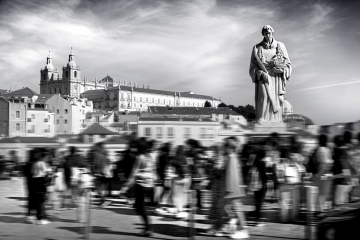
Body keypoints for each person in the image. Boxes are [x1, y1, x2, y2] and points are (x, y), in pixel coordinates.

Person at [249, 25, 292, 124]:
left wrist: (282, 70)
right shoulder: (256, 48)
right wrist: (259, 72)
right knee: (264, 96)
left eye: (269, 32)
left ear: (272, 33)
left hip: (276, 77)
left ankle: (275, 120)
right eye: (265, 33)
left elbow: (288, 64)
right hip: (263, 76)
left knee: (276, 99)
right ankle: (262, 118)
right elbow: (252, 67)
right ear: (263, 34)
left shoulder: (281, 46)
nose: (268, 34)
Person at [120, 138, 157, 236]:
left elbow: (133, 173)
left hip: (141, 184)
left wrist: (126, 186)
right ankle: (148, 227)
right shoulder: (149, 156)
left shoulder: (139, 157)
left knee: (139, 206)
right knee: (139, 206)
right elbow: (153, 170)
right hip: (149, 184)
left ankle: (149, 228)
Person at [31, 148, 51, 224]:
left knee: (38, 200)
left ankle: (39, 217)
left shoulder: (35, 163)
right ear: (44, 157)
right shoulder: (43, 163)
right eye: (46, 157)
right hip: (41, 182)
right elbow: (47, 172)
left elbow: (32, 173)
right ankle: (40, 219)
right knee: (41, 200)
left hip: (35, 182)